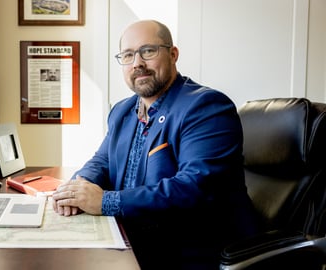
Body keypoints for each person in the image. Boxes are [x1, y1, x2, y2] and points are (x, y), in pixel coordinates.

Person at [51, 20, 261, 269]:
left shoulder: (206, 107)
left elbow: (194, 188)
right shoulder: (123, 110)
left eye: (148, 51)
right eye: (128, 55)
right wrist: (77, 188)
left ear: (173, 54)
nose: (137, 63)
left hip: (188, 252)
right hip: (133, 242)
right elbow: (103, 161)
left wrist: (106, 201)